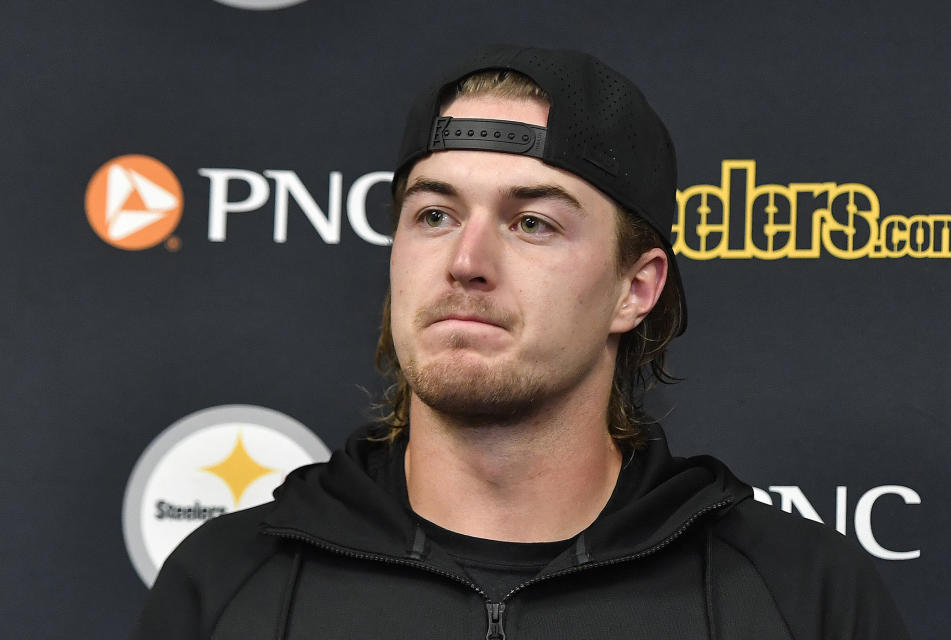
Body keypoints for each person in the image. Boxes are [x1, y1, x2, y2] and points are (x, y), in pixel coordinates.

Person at [132, 45, 910, 640]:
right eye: (433, 215)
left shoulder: (800, 596)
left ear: (633, 289)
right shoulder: (227, 585)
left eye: (532, 221)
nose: (465, 263)